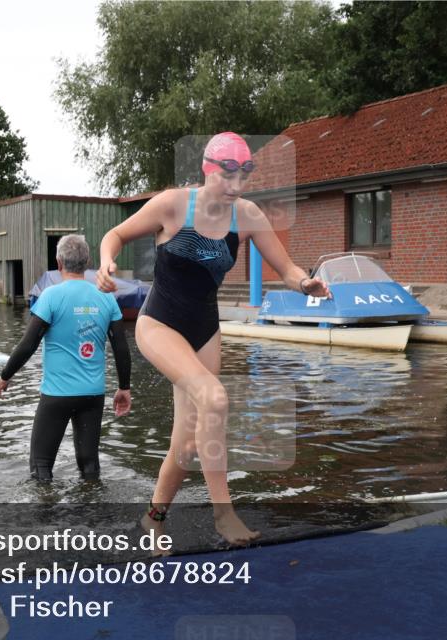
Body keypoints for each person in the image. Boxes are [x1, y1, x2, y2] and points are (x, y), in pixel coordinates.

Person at [96, 132, 332, 546]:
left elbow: (287, 267)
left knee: (186, 446)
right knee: (216, 398)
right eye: (228, 177)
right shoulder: (172, 204)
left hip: (205, 329)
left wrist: (305, 282)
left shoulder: (249, 215)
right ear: (208, 170)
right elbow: (114, 235)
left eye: (243, 177)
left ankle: (153, 518)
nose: (236, 187)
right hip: (160, 323)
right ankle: (224, 516)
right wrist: (105, 262)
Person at [0, 234, 132, 481]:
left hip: (57, 395)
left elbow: (28, 344)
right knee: (90, 466)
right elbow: (121, 348)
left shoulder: (50, 296)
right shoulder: (106, 298)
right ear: (88, 262)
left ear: (59, 263)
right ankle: (94, 515)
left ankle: (44, 517)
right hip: (92, 394)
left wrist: (5, 376)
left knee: (41, 466)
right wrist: (124, 387)